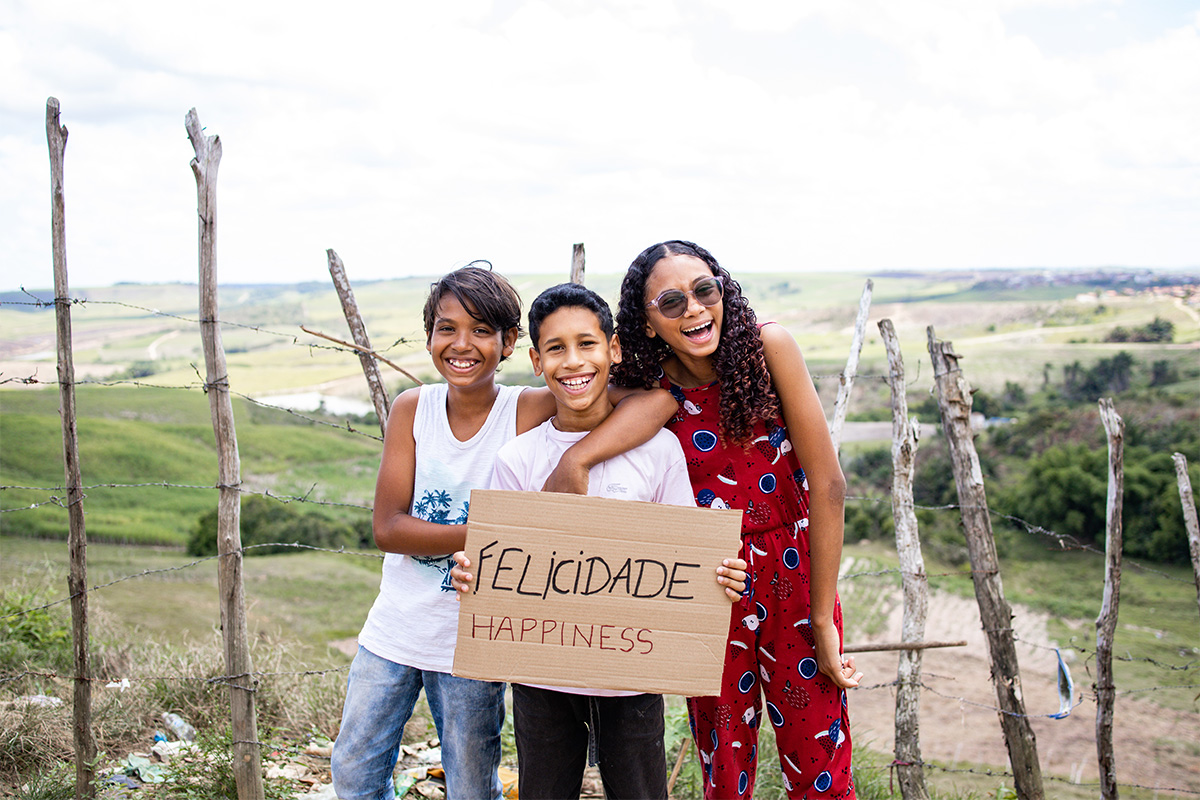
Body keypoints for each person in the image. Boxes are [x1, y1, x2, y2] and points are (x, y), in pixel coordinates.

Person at [330, 263, 679, 800]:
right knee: (354, 765)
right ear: (428, 337)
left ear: (512, 344)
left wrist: (578, 461)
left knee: (472, 780)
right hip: (397, 627)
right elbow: (388, 527)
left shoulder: (526, 408)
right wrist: (501, 536)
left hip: (479, 640)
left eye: (482, 330)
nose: (462, 344)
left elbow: (653, 399)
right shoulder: (413, 409)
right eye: (446, 328)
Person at [450, 282, 748, 800]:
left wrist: (718, 574)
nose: (573, 361)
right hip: (541, 676)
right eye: (556, 348)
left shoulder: (658, 451)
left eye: (587, 344)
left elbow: (688, 555)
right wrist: (473, 574)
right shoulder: (516, 460)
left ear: (613, 350)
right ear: (536, 362)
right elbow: (500, 562)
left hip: (632, 677)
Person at [609, 241, 862, 799]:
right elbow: (562, 399)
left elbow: (828, 485)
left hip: (793, 574)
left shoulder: (769, 348)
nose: (695, 310)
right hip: (705, 585)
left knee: (821, 767)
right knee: (725, 775)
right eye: (671, 302)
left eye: (705, 290)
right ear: (647, 324)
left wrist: (823, 619)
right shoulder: (644, 389)